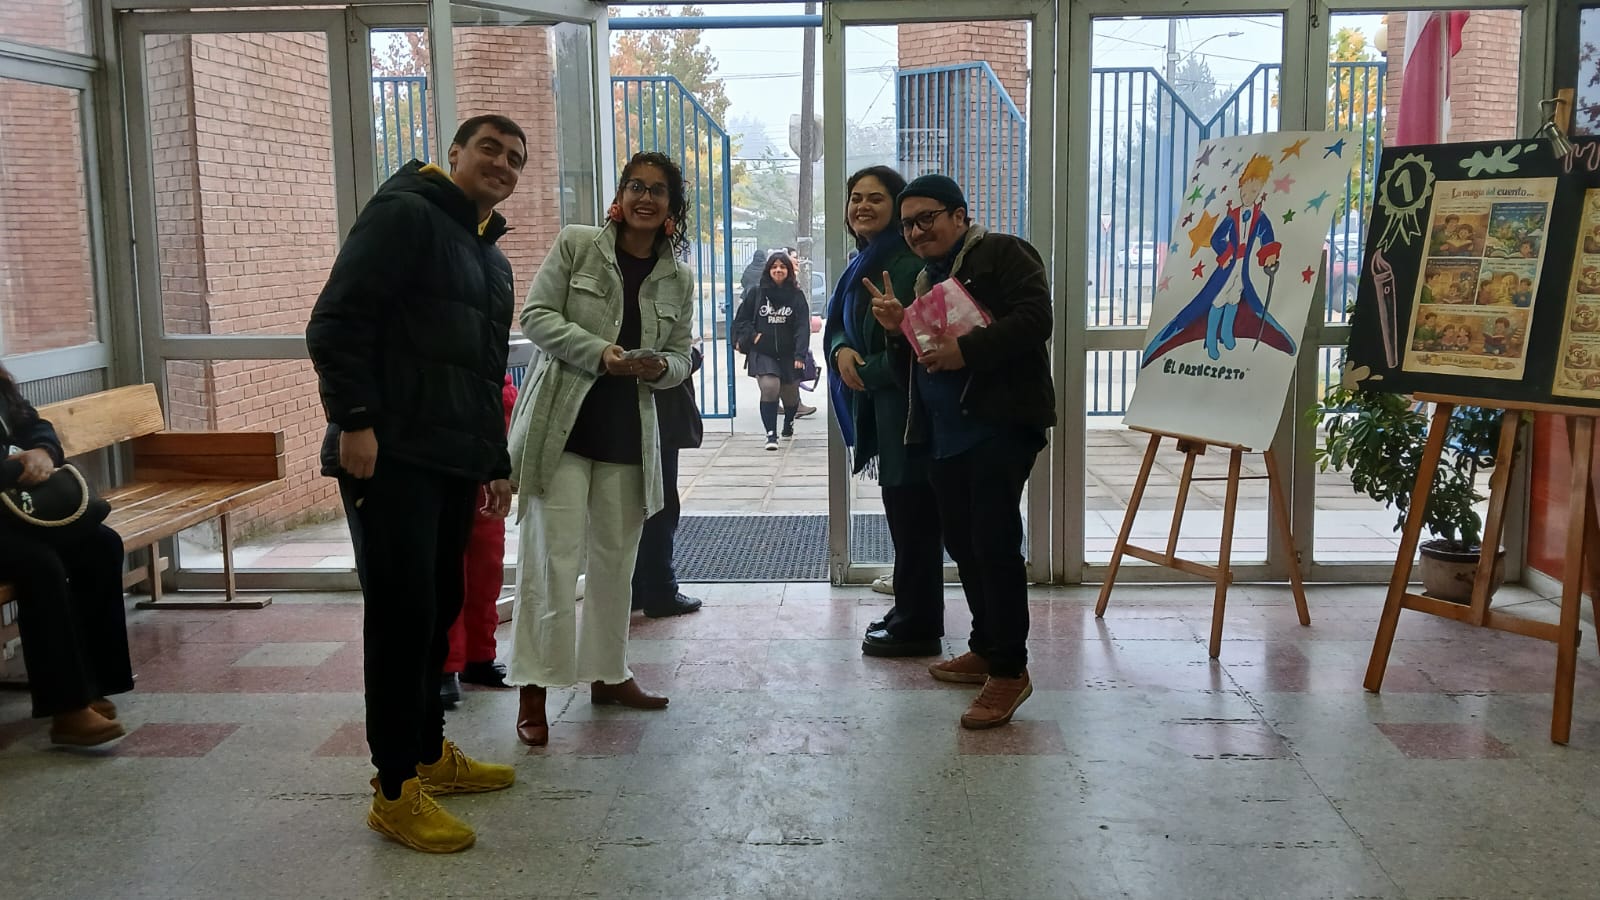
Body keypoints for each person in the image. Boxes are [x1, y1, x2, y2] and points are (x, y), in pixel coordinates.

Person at [307, 114, 526, 853]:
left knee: (437, 614)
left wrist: (494, 462)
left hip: (451, 458)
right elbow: (337, 321)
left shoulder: (488, 255)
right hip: (390, 454)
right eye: (489, 148)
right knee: (401, 622)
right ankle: (395, 788)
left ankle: (429, 752)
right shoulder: (404, 214)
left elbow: (484, 374)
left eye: (515, 158)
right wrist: (355, 420)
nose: (502, 163)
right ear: (454, 152)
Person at [505, 151, 695, 747]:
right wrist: (601, 353)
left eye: (658, 190)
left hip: (629, 438)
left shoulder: (679, 278)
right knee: (552, 561)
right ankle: (534, 687)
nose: (645, 197)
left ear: (672, 207)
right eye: (636, 185)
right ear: (620, 195)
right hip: (562, 431)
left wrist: (659, 367)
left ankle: (609, 675)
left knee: (616, 564)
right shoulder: (576, 245)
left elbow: (683, 356)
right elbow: (536, 316)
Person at [868, 174, 1055, 730]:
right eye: (908, 224)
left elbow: (1036, 319)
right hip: (945, 433)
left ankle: (1010, 670)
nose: (916, 231)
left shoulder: (1003, 252)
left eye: (927, 218)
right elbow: (922, 359)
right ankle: (984, 646)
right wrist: (897, 330)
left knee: (994, 545)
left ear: (960, 215)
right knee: (963, 543)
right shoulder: (928, 277)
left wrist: (967, 351)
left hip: (999, 426)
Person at [825, 165, 945, 658]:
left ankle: (919, 626)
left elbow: (919, 347)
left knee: (916, 521)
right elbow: (839, 322)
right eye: (856, 197)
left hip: (911, 415)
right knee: (904, 516)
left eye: (875, 198)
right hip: (884, 411)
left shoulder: (908, 264)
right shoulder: (863, 262)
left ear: (896, 207)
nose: (862, 206)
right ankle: (907, 612)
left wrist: (866, 370)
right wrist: (840, 351)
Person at [0, 365, 132, 748]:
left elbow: (32, 423)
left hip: (11, 509)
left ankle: (94, 685)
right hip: (8, 508)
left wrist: (43, 451)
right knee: (39, 564)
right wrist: (17, 466)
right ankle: (67, 708)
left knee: (101, 543)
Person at [441, 374, 519, 709]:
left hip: (482, 464)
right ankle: (444, 665)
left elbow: (498, 386)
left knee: (486, 571)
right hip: (439, 461)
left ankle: (479, 656)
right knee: (446, 571)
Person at [630, 343, 705, 619]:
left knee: (632, 505)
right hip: (656, 414)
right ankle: (660, 589)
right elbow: (672, 357)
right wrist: (693, 356)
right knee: (660, 506)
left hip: (623, 417)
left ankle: (636, 587)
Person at [733, 251, 810, 450]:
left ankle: (789, 422)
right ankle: (770, 434)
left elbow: (803, 326)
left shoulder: (797, 296)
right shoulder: (756, 293)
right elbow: (741, 320)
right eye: (774, 267)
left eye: (782, 267)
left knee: (790, 395)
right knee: (769, 387)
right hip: (763, 352)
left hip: (789, 354)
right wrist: (753, 336)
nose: (778, 270)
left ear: (788, 271)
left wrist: (800, 354)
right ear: (768, 270)